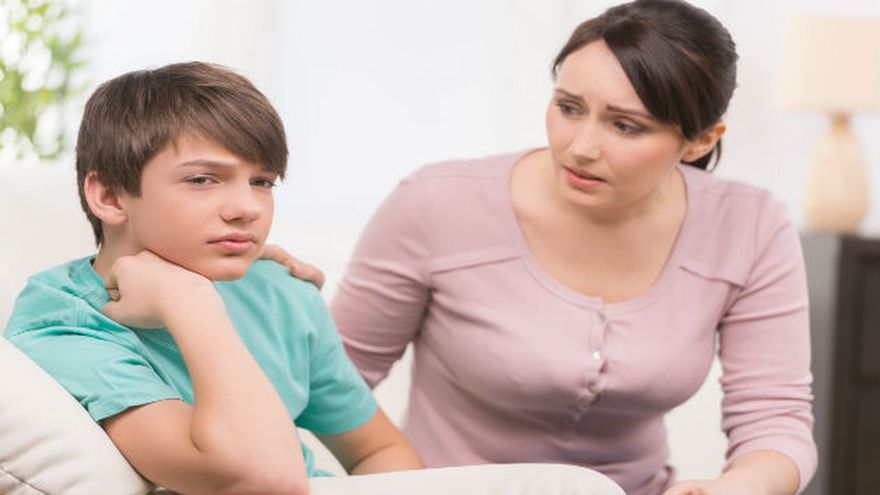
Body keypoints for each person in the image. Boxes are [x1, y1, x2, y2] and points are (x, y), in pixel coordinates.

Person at [322, 1, 817, 494]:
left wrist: (738, 487)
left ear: (701, 141)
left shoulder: (751, 225)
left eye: (625, 125)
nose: (580, 147)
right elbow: (327, 380)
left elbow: (775, 419)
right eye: (569, 108)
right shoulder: (436, 204)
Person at [3, 62, 424, 494]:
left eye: (262, 181)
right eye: (202, 179)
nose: (248, 208)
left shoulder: (280, 291)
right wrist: (190, 301)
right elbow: (263, 478)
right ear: (110, 197)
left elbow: (379, 450)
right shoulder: (62, 325)